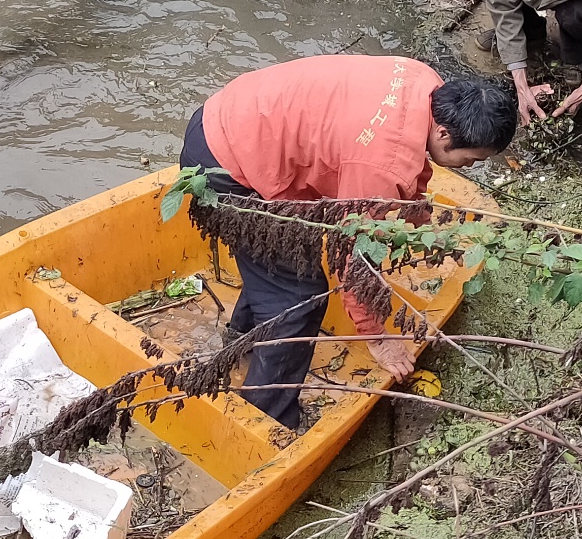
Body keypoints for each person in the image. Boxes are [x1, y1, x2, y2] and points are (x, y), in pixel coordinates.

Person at [178, 55, 517, 430]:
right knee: (298, 297)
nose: (470, 167)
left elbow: (404, 162)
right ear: (444, 134)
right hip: (224, 167)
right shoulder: (380, 166)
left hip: (231, 117)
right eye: (471, 159)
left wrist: (414, 211)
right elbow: (353, 263)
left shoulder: (425, 83)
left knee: (281, 267)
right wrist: (378, 338)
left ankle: (242, 337)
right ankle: (266, 417)